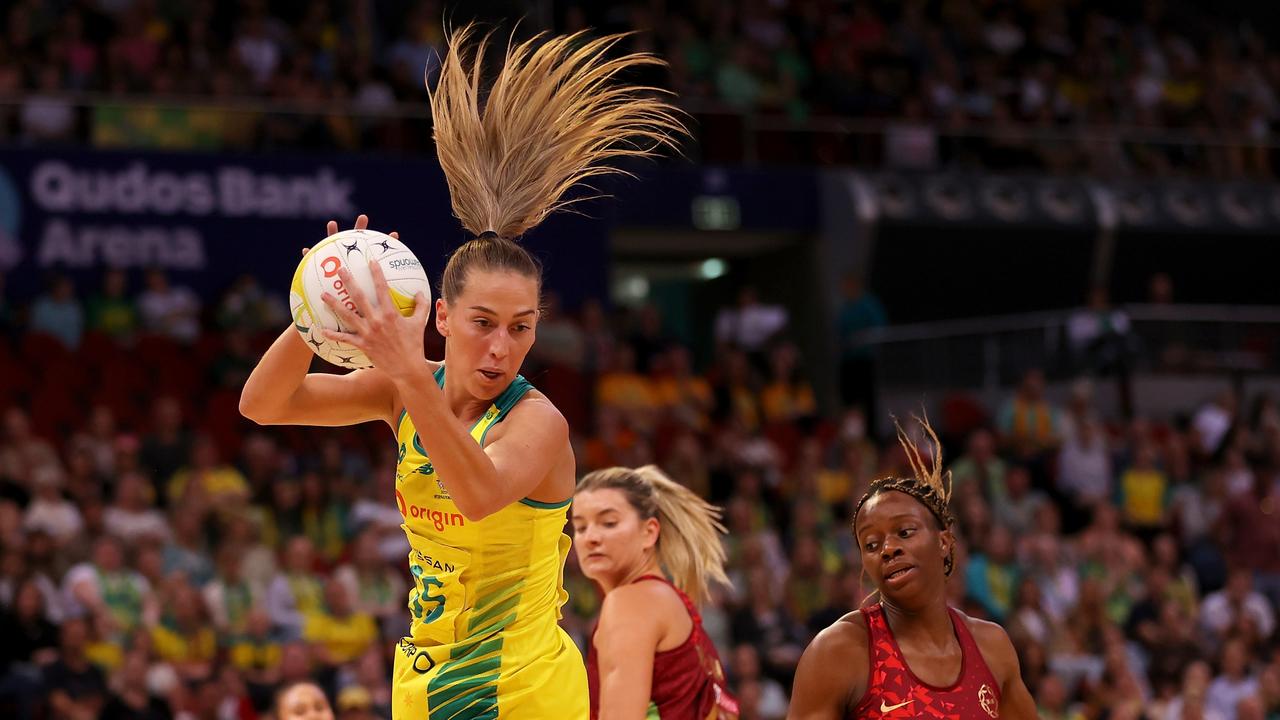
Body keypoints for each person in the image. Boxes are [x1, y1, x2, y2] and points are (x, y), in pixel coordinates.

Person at [240, 22, 680, 719]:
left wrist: (411, 372)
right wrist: (316, 308)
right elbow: (263, 404)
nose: (502, 348)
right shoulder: (402, 386)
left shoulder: (538, 422)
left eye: (521, 327)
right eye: (483, 324)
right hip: (426, 679)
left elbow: (478, 494)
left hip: (524, 688)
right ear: (442, 316)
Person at [787, 418, 1037, 719]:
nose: (888, 549)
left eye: (904, 532)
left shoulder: (991, 646)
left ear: (943, 542)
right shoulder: (838, 651)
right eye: (871, 544)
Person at [572, 465, 740, 719]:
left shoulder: (630, 602)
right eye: (581, 527)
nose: (590, 537)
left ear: (649, 532)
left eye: (608, 523)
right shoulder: (665, 599)